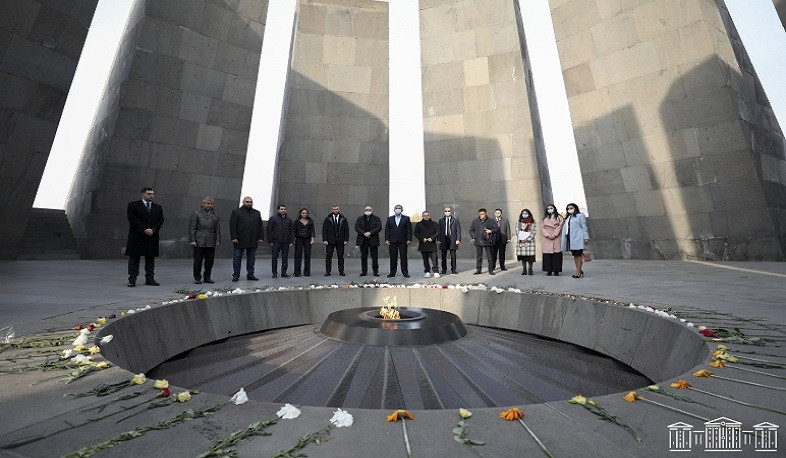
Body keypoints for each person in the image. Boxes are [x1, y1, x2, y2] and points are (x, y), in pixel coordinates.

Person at [125, 187, 164, 287]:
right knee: (134, 258)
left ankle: (150, 279)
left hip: (152, 236)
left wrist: (153, 230)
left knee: (150, 258)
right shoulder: (133, 205)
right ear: (142, 194)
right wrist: (144, 229)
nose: (151, 196)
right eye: (149, 194)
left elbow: (161, 220)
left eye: (153, 194)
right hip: (137, 236)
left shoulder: (158, 207)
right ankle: (132, 279)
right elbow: (132, 219)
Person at [230, 196, 264, 282]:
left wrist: (260, 237)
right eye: (247, 202)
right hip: (240, 239)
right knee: (237, 257)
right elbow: (232, 225)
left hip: (253, 239)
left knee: (251, 258)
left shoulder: (256, 213)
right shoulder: (236, 212)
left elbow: (260, 226)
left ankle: (250, 274)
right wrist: (234, 237)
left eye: (251, 202)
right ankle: (236, 275)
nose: (249, 203)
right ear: (243, 202)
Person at [189, 196, 220, 284]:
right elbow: (192, 228)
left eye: (211, 204)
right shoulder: (196, 213)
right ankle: (197, 277)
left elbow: (217, 228)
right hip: (199, 240)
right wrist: (192, 240)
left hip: (211, 240)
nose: (210, 205)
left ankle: (207, 277)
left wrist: (218, 239)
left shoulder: (215, 214)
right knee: (198, 260)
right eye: (208, 203)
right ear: (203, 204)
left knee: (210, 261)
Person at [561, 203, 589, 278]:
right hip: (570, 239)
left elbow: (584, 227)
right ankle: (578, 269)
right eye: (568, 208)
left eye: (571, 208)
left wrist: (586, 237)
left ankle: (578, 271)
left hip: (578, 238)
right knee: (575, 255)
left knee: (578, 255)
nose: (569, 210)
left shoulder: (580, 216)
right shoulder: (568, 217)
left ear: (575, 208)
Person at [384, 204, 412, 278]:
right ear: (394, 210)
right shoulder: (390, 219)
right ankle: (392, 272)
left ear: (402, 210)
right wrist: (386, 239)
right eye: (396, 208)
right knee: (393, 257)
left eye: (399, 208)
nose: (398, 209)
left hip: (403, 240)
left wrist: (409, 239)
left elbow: (409, 229)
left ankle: (405, 272)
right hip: (392, 241)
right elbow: (387, 230)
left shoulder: (406, 218)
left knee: (403, 257)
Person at [469, 208, 499, 275]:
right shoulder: (475, 221)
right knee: (479, 256)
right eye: (480, 214)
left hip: (488, 241)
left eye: (483, 214)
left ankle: (491, 270)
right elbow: (471, 230)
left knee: (490, 257)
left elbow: (496, 228)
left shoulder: (491, 220)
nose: (481, 215)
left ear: (486, 213)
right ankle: (478, 270)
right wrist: (474, 236)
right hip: (478, 241)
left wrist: (490, 231)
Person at [322, 204, 349, 276]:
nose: (335, 210)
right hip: (330, 241)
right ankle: (328, 271)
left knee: (340, 256)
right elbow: (324, 230)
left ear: (338, 209)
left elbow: (346, 230)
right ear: (332, 209)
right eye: (334, 209)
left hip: (340, 240)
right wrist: (325, 239)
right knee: (329, 256)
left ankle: (341, 271)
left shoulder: (343, 219)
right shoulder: (328, 219)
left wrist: (346, 239)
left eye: (336, 209)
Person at [267, 204, 294, 278]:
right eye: (281, 209)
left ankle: (284, 272)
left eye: (284, 209)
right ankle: (274, 273)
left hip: (286, 242)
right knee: (274, 258)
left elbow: (291, 231)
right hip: (276, 242)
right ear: (278, 210)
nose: (283, 210)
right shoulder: (273, 218)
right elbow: (269, 230)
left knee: (285, 258)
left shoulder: (289, 220)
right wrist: (270, 241)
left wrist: (291, 241)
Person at [355, 205, 382, 276]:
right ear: (364, 211)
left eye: (369, 210)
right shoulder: (360, 218)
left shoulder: (376, 218)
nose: (368, 211)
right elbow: (357, 227)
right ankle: (364, 271)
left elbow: (379, 227)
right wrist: (364, 233)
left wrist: (370, 233)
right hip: (363, 240)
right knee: (363, 257)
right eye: (366, 210)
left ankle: (375, 271)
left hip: (373, 240)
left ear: (372, 210)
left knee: (374, 257)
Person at [413, 211, 440, 278]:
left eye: (427, 215)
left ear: (429, 216)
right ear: (422, 216)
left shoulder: (435, 224)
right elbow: (416, 233)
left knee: (434, 259)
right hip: (423, 244)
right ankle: (427, 271)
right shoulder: (419, 224)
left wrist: (432, 238)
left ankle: (436, 271)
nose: (426, 217)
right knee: (425, 259)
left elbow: (438, 232)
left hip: (432, 244)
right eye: (424, 215)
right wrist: (422, 239)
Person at [541, 203, 564, 276]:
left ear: (554, 209)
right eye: (548, 209)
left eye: (551, 208)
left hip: (556, 237)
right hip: (547, 238)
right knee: (548, 255)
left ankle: (556, 270)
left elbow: (560, 226)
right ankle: (549, 270)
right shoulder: (544, 219)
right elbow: (542, 228)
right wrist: (547, 235)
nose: (549, 210)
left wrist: (554, 234)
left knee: (556, 254)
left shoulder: (559, 217)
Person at [437, 206, 461, 275]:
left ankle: (453, 269)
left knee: (453, 256)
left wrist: (458, 239)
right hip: (443, 239)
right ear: (444, 212)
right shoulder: (441, 220)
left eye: (448, 211)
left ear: (451, 212)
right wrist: (438, 239)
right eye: (446, 211)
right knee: (443, 256)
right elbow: (439, 231)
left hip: (452, 239)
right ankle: (444, 269)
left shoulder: (455, 220)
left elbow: (458, 230)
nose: (447, 212)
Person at [292, 208, 315, 277]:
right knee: (298, 255)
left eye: (306, 213)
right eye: (303, 213)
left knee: (307, 256)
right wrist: (293, 239)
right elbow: (293, 230)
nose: (304, 214)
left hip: (307, 239)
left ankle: (307, 272)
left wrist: (312, 239)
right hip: (299, 239)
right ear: (300, 214)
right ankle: (297, 272)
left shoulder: (310, 221)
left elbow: (312, 231)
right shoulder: (297, 221)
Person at [515, 208, 536, 275]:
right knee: (523, 257)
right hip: (521, 241)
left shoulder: (532, 222)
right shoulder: (519, 222)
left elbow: (533, 231)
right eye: (523, 213)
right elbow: (517, 230)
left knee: (530, 257)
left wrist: (528, 239)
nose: (525, 215)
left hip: (530, 242)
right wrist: (521, 238)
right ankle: (524, 269)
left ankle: (530, 269)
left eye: (526, 213)